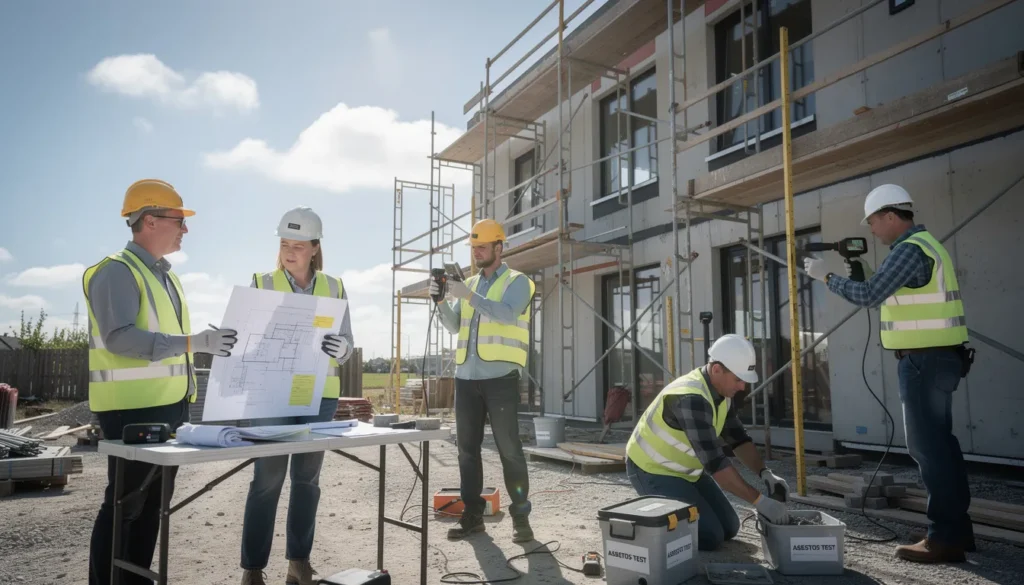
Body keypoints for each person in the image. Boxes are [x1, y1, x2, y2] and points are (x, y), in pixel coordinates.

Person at [803, 184, 973, 563]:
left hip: (923, 362)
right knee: (942, 445)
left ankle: (944, 538)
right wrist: (860, 273)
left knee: (928, 449)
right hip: (940, 359)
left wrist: (825, 278)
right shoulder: (926, 246)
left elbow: (868, 296)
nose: (873, 230)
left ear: (892, 216)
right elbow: (884, 291)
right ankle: (956, 531)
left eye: (875, 221)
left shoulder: (909, 250)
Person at [86, 179, 239, 585]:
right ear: (150, 221)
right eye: (179, 221)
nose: (185, 229)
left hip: (169, 406)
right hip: (130, 409)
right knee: (125, 506)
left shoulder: (166, 277)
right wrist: (195, 342)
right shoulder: (116, 272)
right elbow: (119, 338)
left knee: (153, 506)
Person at [239, 206, 355, 585]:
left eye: (298, 246)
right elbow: (245, 341)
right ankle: (253, 569)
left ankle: (298, 563)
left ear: (315, 248)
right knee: (266, 481)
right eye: (285, 244)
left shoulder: (335, 287)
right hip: (272, 396)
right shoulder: (262, 282)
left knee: (307, 481)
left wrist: (344, 349)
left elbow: (348, 343)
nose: (289, 253)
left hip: (320, 396)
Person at [625, 334, 790, 551]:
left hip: (686, 473)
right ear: (717, 370)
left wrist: (765, 473)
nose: (742, 387)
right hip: (651, 470)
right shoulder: (690, 398)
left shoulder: (721, 393)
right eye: (738, 379)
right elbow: (716, 465)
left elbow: (738, 439)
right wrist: (760, 501)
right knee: (710, 536)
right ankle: (647, 523)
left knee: (730, 527)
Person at [431, 218, 537, 543]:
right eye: (473, 247)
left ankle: (521, 518)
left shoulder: (519, 282)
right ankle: (472, 516)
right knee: (466, 451)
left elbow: (506, 313)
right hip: (466, 378)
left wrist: (468, 295)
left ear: (499, 247)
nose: (476, 252)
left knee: (509, 449)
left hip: (501, 378)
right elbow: (454, 326)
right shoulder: (470, 285)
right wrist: (439, 302)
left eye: (482, 246)